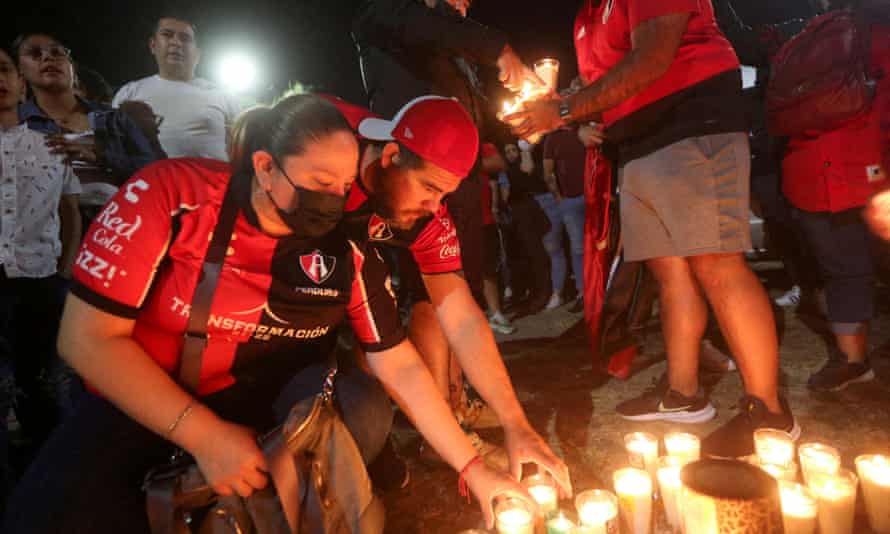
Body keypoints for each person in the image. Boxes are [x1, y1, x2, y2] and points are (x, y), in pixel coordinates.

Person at [4, 95, 538, 533]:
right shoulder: (174, 194)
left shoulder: (347, 248)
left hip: (265, 396)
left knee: (341, 437)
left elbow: (404, 358)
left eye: (343, 188)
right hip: (141, 392)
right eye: (320, 183)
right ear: (264, 165)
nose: (332, 200)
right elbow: (85, 340)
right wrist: (203, 436)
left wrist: (477, 465)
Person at [508, 0, 798, 457]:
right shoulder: (587, 16)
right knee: (669, 271)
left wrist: (564, 109)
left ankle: (770, 413)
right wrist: (581, 108)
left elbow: (653, 56)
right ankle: (684, 395)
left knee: (717, 262)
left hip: (690, 119)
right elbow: (609, 81)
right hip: (638, 140)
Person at [331, 95, 571, 490]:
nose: (433, 207)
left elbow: (460, 317)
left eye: (445, 194)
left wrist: (516, 423)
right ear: (391, 156)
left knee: (367, 388)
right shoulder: (329, 155)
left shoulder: (426, 216)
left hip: (353, 271)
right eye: (429, 187)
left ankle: (371, 439)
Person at [352, 0, 541, 431]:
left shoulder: (451, 47)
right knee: (428, 294)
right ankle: (437, 412)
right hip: (415, 176)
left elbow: (469, 110)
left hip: (457, 183)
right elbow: (433, 29)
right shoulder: (391, 17)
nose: (464, 5)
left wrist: (514, 123)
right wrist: (498, 48)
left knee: (462, 289)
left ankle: (457, 398)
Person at [780, 0, 889, 391]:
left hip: (818, 171)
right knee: (846, 270)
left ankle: (853, 359)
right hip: (839, 170)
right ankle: (853, 360)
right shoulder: (841, 36)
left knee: (843, 271)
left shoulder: (800, 40)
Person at [0, 46, 81, 493]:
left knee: (46, 388)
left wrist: (65, 267)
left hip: (41, 283)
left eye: (5, 70)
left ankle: (52, 489)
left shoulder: (50, 145)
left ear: (20, 82)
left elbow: (70, 210)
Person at [14, 32, 162, 226]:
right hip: (44, 230)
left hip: (116, 228)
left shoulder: (114, 118)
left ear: (71, 67)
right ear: (20, 72)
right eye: (35, 53)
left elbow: (153, 172)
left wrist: (102, 155)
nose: (47, 57)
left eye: (57, 52)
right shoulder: (13, 125)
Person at [112, 11, 242, 160]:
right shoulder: (129, 93)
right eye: (167, 35)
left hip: (209, 180)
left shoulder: (224, 95)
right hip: (146, 181)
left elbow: (243, 149)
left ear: (198, 53)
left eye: (185, 38)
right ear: (153, 45)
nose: (176, 43)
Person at [502, 140, 553, 315]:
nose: (510, 154)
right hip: (517, 219)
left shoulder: (523, 166)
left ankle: (543, 294)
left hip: (529, 216)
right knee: (526, 258)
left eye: (512, 150)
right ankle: (532, 293)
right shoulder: (505, 172)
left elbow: (528, 171)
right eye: (507, 151)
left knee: (538, 256)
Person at [543, 123, 589, 313]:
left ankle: (604, 288)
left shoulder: (585, 129)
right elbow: (548, 172)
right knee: (578, 248)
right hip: (570, 199)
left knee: (600, 243)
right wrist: (559, 198)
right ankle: (583, 293)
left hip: (594, 195)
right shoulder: (553, 138)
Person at [479, 142, 516, 334]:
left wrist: (463, 163)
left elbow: (499, 164)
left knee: (489, 269)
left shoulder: (482, 146)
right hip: (459, 220)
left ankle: (495, 313)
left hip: (485, 220)